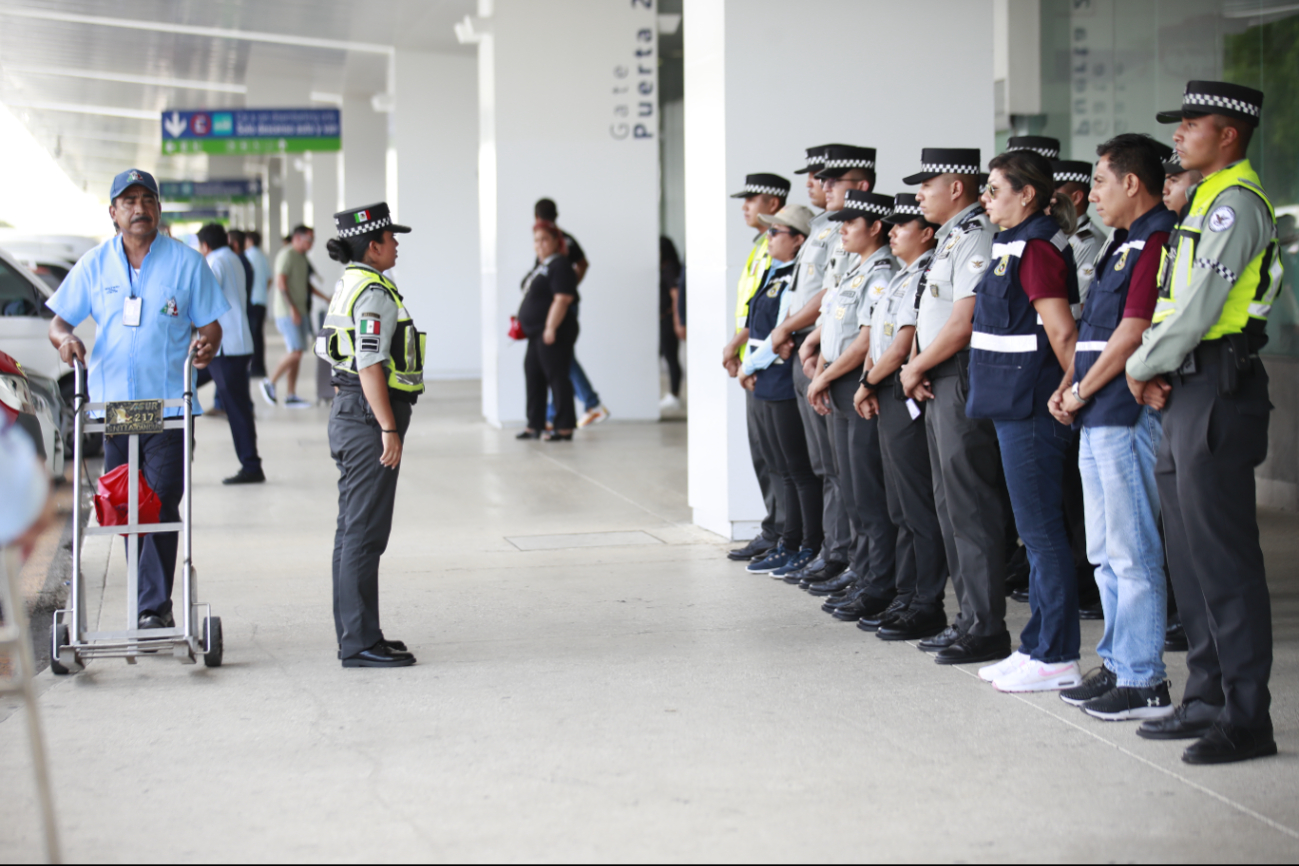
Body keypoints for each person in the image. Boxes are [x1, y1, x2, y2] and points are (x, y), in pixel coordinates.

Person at [1125, 81, 1280, 764]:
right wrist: (1156, 365)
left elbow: (1197, 308)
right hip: (1185, 382)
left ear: (1230, 134)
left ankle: (1247, 718)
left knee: (1224, 560)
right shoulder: (1204, 201)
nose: (1179, 135)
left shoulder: (1235, 204)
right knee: (1187, 558)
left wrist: (1140, 363)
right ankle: (1206, 697)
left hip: (1217, 382)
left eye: (1192, 124)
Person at [45, 168, 227, 630]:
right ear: (113, 212)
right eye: (128, 201)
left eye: (147, 199)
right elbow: (58, 323)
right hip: (114, 410)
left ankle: (151, 606)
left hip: (168, 405)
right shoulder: (93, 264)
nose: (139, 208)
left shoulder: (187, 264)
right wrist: (66, 341)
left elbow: (211, 327)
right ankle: (152, 603)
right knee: (128, 505)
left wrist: (206, 346)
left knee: (162, 498)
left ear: (158, 209)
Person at [1046, 133, 1176, 719]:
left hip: (1121, 413)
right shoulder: (1119, 244)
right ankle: (1119, 664)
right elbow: (1094, 329)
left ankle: (1145, 677)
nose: (1090, 194)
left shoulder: (1156, 239)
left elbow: (1132, 332)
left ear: (1131, 182)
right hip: (1094, 411)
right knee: (1102, 551)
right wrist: (1066, 384)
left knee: (1132, 550)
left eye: (1099, 181)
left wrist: (1080, 388)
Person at [963, 149, 1086, 694]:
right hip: (1011, 401)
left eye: (993, 190)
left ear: (1026, 194)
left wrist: (1077, 392)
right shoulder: (1011, 242)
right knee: (1033, 535)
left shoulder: (1037, 246)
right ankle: (1037, 645)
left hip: (1034, 405)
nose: (985, 199)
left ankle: (1056, 653)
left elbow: (1061, 333)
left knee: (1042, 534)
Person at [899, 148, 1008, 666]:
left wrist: (917, 366)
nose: (919, 194)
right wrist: (918, 363)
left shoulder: (977, 237)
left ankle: (986, 626)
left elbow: (963, 323)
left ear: (957, 188)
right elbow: (931, 316)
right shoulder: (950, 240)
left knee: (970, 504)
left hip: (958, 376)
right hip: (935, 376)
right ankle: (967, 618)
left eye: (927, 184)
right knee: (948, 503)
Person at [318, 202, 424, 668]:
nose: (397, 244)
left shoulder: (350, 283)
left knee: (352, 531)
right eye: (391, 238)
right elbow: (369, 361)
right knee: (364, 533)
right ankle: (359, 642)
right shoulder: (375, 291)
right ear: (373, 245)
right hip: (365, 419)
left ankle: (358, 633)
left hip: (348, 411)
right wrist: (388, 427)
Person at [805, 190, 900, 624]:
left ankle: (879, 582)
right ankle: (862, 572)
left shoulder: (881, 272)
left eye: (850, 222)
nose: (841, 228)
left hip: (856, 385)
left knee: (867, 490)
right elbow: (835, 329)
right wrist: (821, 365)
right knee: (849, 486)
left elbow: (865, 339)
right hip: (837, 381)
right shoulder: (854, 270)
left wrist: (825, 376)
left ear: (876, 226)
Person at [857, 194, 949, 642]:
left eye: (901, 226)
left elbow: (901, 346)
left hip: (903, 393)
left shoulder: (923, 274)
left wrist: (868, 382)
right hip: (891, 391)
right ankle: (907, 593)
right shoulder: (903, 277)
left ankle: (927, 601)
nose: (891, 232)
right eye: (889, 226)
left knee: (917, 505)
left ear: (926, 233)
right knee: (899, 506)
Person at [764, 145, 852, 587]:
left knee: (843, 469)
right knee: (823, 465)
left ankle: (845, 556)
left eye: (830, 178)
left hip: (835, 356)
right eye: (820, 177)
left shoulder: (848, 231)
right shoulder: (822, 228)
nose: (819, 184)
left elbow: (827, 298)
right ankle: (830, 550)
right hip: (810, 348)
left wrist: (791, 333)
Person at [737, 205, 821, 577]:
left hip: (782, 378)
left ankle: (806, 544)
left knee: (798, 469)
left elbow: (781, 334)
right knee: (781, 468)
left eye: (777, 232)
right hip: (766, 378)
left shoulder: (793, 278)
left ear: (798, 240)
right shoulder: (774, 271)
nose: (769, 237)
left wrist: (748, 365)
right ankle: (788, 541)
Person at [722, 173, 789, 563]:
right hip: (753, 357)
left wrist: (742, 348)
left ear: (774, 204)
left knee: (782, 456)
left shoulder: (778, 245)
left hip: (768, 360)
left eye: (752, 199)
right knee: (763, 451)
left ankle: (784, 532)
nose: (745, 206)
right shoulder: (758, 246)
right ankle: (774, 527)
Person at [195, 223, 264, 485]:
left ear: (205, 245)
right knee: (184, 386)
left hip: (224, 347)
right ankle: (250, 464)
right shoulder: (235, 258)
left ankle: (251, 466)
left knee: (237, 409)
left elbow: (204, 297)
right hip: (236, 344)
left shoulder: (213, 262)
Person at [536, 198, 610, 429]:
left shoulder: (550, 242)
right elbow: (583, 263)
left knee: (561, 358)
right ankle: (553, 413)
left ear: (537, 218)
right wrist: (572, 283)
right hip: (566, 304)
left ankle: (591, 404)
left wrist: (565, 288)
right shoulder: (564, 238)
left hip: (560, 307)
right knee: (558, 360)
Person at [517, 220, 580, 441]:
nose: (540, 244)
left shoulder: (560, 265)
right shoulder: (541, 265)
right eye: (536, 240)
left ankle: (563, 427)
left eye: (545, 239)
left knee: (557, 377)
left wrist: (551, 327)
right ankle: (534, 424)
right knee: (533, 375)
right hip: (536, 334)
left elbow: (563, 299)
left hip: (553, 332)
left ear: (556, 241)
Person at [262, 225, 328, 408]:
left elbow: (306, 284)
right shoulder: (287, 255)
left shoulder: (302, 258)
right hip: (288, 312)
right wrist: (292, 308)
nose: (311, 244)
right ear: (297, 238)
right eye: (309, 240)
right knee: (296, 351)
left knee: (297, 352)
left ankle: (291, 394)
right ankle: (270, 382)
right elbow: (281, 282)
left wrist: (326, 297)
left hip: (301, 310)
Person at [1054, 159, 1106, 302]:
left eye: (1055, 192)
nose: (1050, 199)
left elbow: (1081, 305)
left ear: (1076, 197)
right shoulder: (1061, 235)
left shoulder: (1086, 243)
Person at [243, 230, 272, 378]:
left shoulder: (248, 256)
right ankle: (260, 367)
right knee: (259, 336)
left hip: (252, 301)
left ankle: (254, 368)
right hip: (262, 300)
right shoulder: (262, 256)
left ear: (249, 240)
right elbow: (269, 279)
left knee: (252, 336)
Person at [659, 236, 684, 410]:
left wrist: (678, 321)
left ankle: (674, 395)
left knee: (671, 357)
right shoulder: (665, 268)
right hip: (664, 319)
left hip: (669, 319)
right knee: (665, 355)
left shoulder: (670, 269)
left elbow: (676, 296)